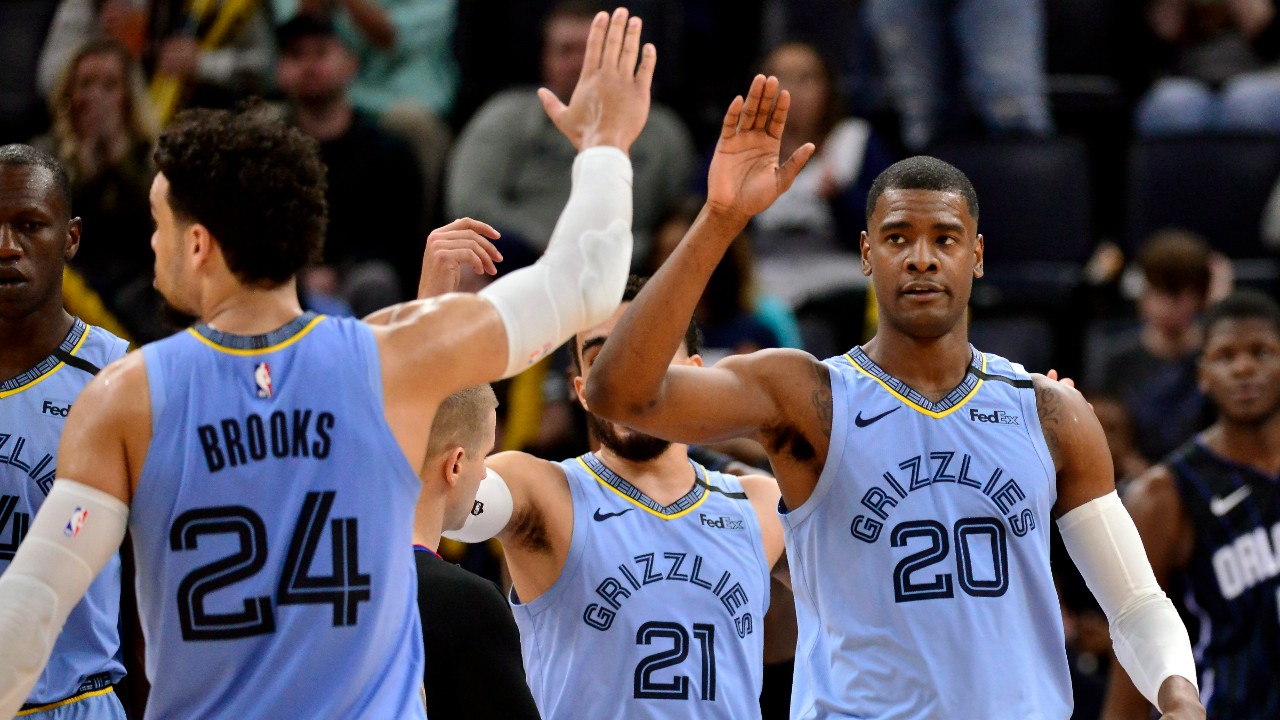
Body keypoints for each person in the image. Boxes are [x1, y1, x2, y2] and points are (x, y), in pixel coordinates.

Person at [0, 7, 652, 717]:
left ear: (198, 245)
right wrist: (605, 143)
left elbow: (31, 613)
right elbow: (586, 282)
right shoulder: (391, 359)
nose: (151, 244)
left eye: (160, 223)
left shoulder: (127, 395)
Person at [585, 75, 1205, 719]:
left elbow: (1134, 604)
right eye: (898, 237)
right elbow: (619, 395)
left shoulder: (1050, 413)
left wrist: (1179, 695)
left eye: (945, 239)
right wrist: (720, 220)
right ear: (865, 254)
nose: (921, 258)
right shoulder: (807, 395)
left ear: (978, 256)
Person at [430, 274, 787, 720]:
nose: (625, 379)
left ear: (696, 374)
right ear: (581, 391)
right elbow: (435, 485)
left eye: (649, 356)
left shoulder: (759, 503)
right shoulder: (541, 491)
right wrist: (432, 322)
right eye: (602, 361)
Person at [1102, 290, 1280, 719]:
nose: (1243, 368)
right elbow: (1134, 644)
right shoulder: (1166, 493)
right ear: (1203, 375)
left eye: (1260, 352)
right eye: (1225, 356)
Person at [0, 144, 129, 716]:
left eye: (29, 226)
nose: (5, 247)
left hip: (71, 703)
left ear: (71, 237)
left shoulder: (119, 379)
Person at [447, 0, 695, 267]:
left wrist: (619, 251)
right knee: (464, 259)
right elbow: (470, 204)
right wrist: (555, 247)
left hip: (628, 267)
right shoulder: (504, 117)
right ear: (545, 57)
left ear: (618, 57)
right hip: (519, 260)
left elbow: (681, 215)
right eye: (566, 50)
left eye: (590, 50)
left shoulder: (662, 131)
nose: (578, 63)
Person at [274, 12, 426, 316]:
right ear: (280, 70)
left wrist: (339, 271)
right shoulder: (267, 154)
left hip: (360, 280)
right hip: (286, 280)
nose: (309, 66)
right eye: (295, 55)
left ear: (350, 64)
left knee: (376, 283)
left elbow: (403, 243)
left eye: (321, 53)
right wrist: (302, 274)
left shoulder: (388, 151)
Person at [410, 384, 540, 719]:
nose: (484, 473)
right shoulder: (466, 604)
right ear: (454, 465)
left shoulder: (311, 579)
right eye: (483, 455)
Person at [33, 38, 168, 342]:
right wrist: (84, 169)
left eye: (109, 86)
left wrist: (121, 162)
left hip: (142, 301)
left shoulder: (157, 160)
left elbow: (157, 233)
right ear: (70, 94)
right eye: (86, 84)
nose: (96, 96)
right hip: (65, 300)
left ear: (128, 96)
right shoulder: (42, 157)